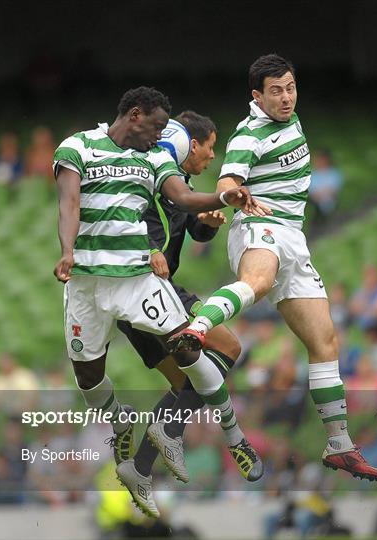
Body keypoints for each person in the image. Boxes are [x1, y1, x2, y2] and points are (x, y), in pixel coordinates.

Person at [52, 87, 267, 518]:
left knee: (198, 349)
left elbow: (184, 201)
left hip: (139, 282)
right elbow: (70, 202)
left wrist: (223, 197)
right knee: (90, 383)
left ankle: (230, 434)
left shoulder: (155, 160)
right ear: (134, 116)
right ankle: (128, 431)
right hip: (88, 284)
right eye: (155, 127)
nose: (159, 137)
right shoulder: (78, 146)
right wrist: (68, 249)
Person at [168, 55, 377, 482]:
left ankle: (338, 443)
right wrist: (233, 196)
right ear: (256, 96)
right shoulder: (250, 135)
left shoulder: (292, 119)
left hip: (293, 238)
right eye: (276, 91)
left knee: (325, 341)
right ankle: (197, 329)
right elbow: (227, 182)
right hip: (258, 225)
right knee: (257, 283)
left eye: (290, 88)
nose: (286, 97)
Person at [116, 111, 249, 502]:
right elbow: (135, 221)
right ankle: (170, 435)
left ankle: (138, 468)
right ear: (192, 144)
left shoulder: (180, 185)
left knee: (184, 387)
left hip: (132, 304)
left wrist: (206, 222)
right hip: (153, 290)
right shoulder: (154, 180)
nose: (212, 158)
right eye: (209, 149)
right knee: (228, 348)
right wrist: (154, 249)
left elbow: (194, 230)